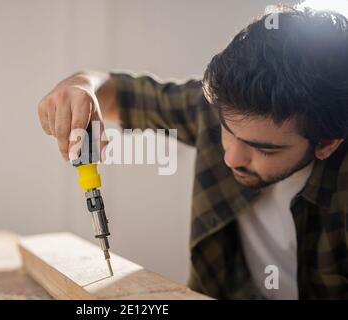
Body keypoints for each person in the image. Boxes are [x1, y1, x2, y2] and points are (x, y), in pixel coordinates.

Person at [37, 6, 348, 299]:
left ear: (327, 143)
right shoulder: (216, 107)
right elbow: (119, 92)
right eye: (227, 128)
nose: (231, 158)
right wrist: (81, 87)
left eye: (262, 149)